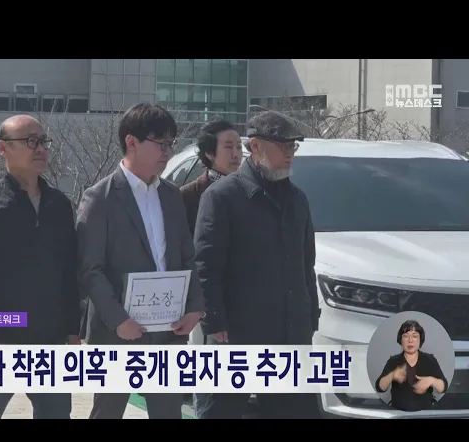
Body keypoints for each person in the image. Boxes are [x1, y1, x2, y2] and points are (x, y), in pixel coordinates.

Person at [76, 103, 205, 419]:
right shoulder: (100, 197)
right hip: (118, 334)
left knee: (169, 413)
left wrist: (195, 307)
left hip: (169, 329)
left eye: (171, 143)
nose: (167, 151)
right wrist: (119, 320)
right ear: (131, 142)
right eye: (160, 143)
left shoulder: (171, 196)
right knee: (107, 412)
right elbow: (90, 269)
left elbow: (186, 256)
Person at [193, 110, 322, 419]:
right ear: (256, 146)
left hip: (291, 334)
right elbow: (206, 266)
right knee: (221, 411)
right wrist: (215, 322)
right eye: (283, 145)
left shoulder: (298, 200)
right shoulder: (222, 197)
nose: (290, 153)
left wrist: (310, 315)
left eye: (293, 146)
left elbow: (306, 264)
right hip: (238, 334)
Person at [0, 114, 81, 419]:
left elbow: (69, 273)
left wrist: (72, 329)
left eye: (43, 141)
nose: (40, 148)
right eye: (30, 141)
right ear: (3, 148)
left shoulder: (59, 205)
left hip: (49, 339)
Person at [180, 120, 243, 236]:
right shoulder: (189, 195)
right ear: (209, 153)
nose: (236, 154)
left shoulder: (250, 190)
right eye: (228, 147)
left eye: (239, 147)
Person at [375, 320, 448, 412]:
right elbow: (380, 388)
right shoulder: (393, 361)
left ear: (420, 340)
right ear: (400, 340)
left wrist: (432, 380)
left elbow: (443, 387)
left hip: (425, 412)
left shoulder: (430, 360)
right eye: (406, 336)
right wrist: (391, 375)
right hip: (399, 412)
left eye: (414, 336)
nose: (410, 340)